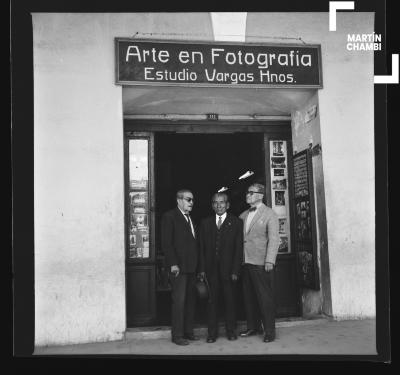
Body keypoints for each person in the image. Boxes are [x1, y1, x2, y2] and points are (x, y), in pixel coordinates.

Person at [198, 193, 243, 343]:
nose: (219, 205)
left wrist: (236, 270)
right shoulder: (205, 223)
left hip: (229, 271)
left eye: (222, 202)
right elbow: (202, 249)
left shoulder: (236, 222)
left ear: (228, 205)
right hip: (210, 271)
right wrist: (202, 269)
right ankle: (212, 334)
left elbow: (238, 249)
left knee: (230, 301)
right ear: (212, 205)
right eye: (215, 203)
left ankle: (231, 331)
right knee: (212, 302)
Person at [239, 183, 280, 343]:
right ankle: (252, 327)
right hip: (246, 262)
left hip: (262, 262)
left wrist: (270, 260)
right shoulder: (242, 215)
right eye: (247, 192)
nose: (247, 195)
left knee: (265, 298)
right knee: (248, 297)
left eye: (251, 192)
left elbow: (274, 238)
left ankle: (269, 331)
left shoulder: (270, 214)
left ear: (260, 195)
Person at [161, 189, 199, 346]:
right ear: (179, 200)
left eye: (192, 200)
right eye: (188, 199)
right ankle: (177, 335)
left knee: (190, 301)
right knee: (179, 302)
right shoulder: (169, 217)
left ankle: (188, 332)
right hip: (178, 268)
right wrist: (173, 264)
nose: (191, 203)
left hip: (191, 267)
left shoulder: (190, 218)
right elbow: (166, 243)